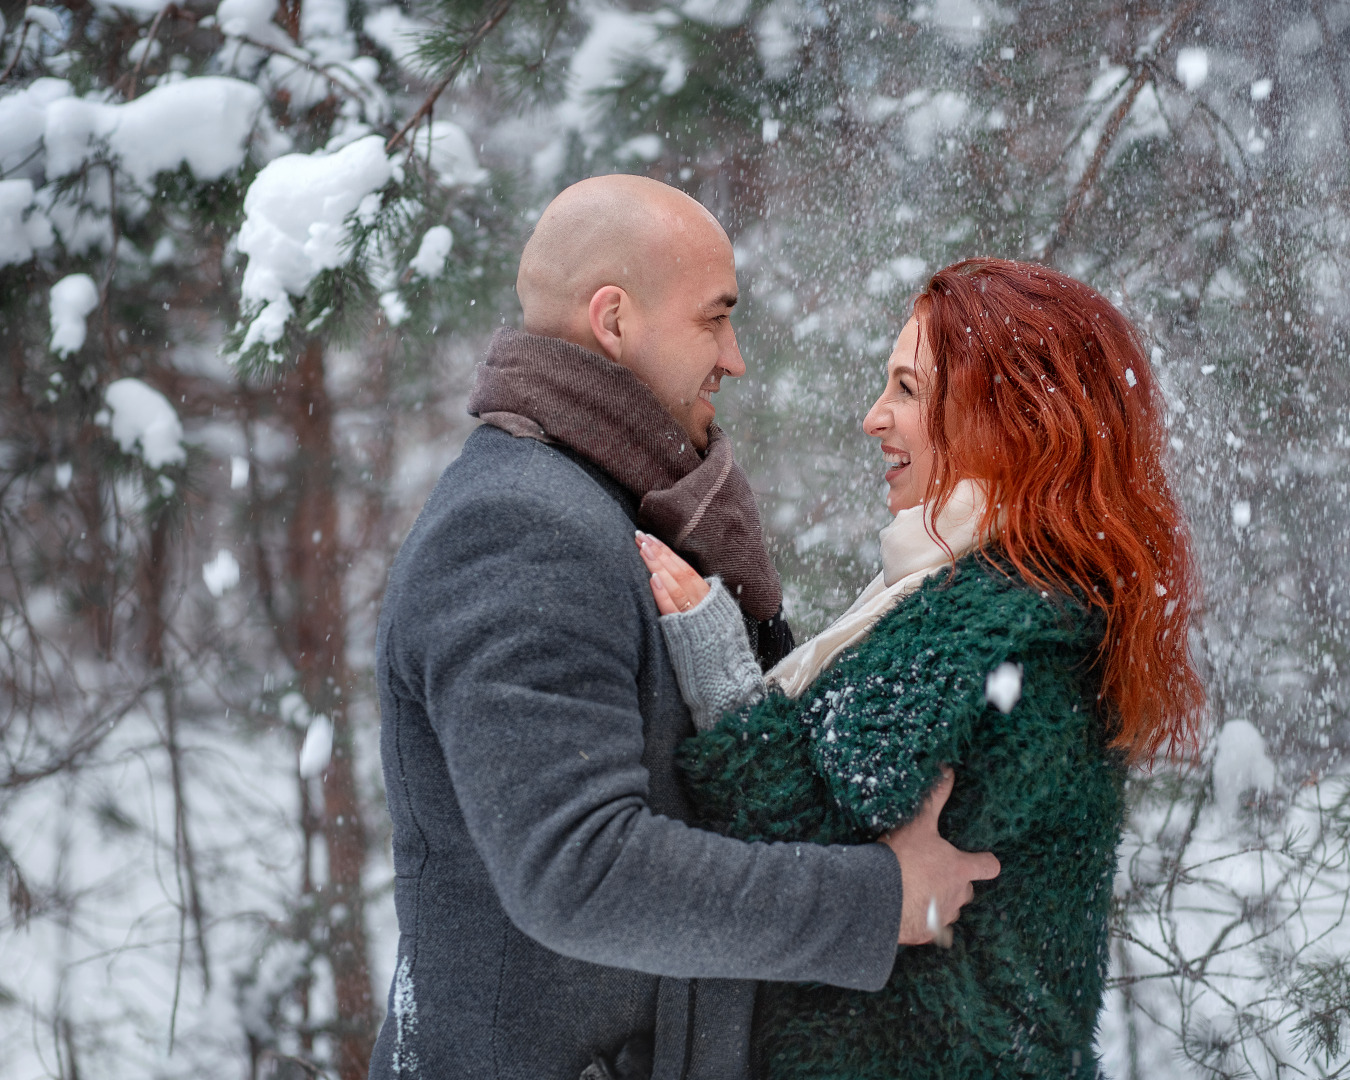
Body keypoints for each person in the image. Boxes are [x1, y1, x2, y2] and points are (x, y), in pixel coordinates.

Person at [368, 177, 999, 1080]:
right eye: (714, 319)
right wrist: (879, 901)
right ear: (614, 321)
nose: (734, 358)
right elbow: (579, 871)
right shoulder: (519, 527)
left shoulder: (614, 504)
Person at [639, 257, 1204, 1078]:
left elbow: (814, 848)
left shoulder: (1021, 637)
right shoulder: (958, 594)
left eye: (907, 389)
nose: (874, 418)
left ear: (1011, 415)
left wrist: (723, 679)